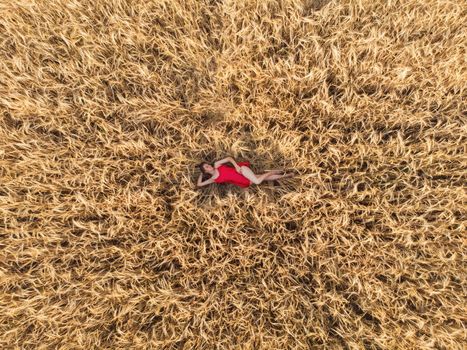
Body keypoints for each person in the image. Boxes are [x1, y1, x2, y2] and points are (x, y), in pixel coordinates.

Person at [195, 156, 294, 188]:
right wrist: (201, 172)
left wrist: (236, 166)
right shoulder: (213, 179)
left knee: (258, 181)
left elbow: (229, 158)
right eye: (206, 168)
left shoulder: (217, 165)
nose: (208, 166)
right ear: (206, 172)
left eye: (207, 165)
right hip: (244, 181)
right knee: (265, 178)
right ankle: (287, 174)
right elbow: (199, 184)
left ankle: (274, 171)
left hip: (242, 171)